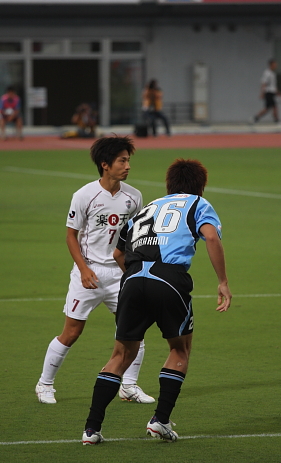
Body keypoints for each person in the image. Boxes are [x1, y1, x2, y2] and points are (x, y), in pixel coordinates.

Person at [81, 158, 232, 445]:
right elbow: (210, 237)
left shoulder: (149, 206)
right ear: (200, 185)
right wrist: (223, 282)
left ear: (169, 184)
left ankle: (91, 429)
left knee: (120, 355)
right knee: (180, 350)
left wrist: (138, 281)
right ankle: (160, 421)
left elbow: (118, 253)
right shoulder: (198, 204)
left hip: (133, 279)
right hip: (169, 280)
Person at [35, 135, 155, 405]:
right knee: (72, 332)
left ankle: (129, 386)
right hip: (87, 273)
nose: (127, 166)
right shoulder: (84, 195)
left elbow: (133, 238)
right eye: (122, 160)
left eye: (128, 160)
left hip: (120, 275)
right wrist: (84, 269)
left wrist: (133, 271)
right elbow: (70, 236)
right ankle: (45, 384)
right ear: (105, 164)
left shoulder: (134, 197)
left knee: (134, 330)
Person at [254, 59, 280, 123]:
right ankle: (276, 120)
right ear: (271, 65)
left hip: (271, 92)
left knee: (268, 108)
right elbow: (264, 83)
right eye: (274, 64)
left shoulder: (272, 74)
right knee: (273, 107)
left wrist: (277, 92)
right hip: (268, 92)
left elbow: (273, 85)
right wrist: (262, 93)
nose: (276, 66)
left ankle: (256, 117)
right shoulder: (267, 73)